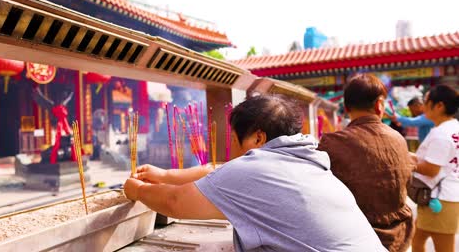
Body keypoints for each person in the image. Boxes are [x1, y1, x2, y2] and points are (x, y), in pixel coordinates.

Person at [124, 94, 386, 252]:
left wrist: (135, 189)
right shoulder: (306, 161)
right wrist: (164, 175)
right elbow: (217, 171)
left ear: (258, 137)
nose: (233, 150)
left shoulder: (255, 169)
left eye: (235, 141)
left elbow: (174, 202)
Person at [317, 74, 414, 251]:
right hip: (399, 238)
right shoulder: (399, 139)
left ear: (346, 108)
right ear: (379, 105)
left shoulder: (331, 143)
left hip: (353, 238)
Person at [410, 85, 459, 252]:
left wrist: (407, 163)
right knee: (416, 241)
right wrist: (410, 156)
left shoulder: (441, 134)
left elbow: (431, 169)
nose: (422, 107)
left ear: (439, 106)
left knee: (441, 248)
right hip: (444, 196)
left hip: (439, 199)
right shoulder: (453, 128)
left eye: (426, 102)